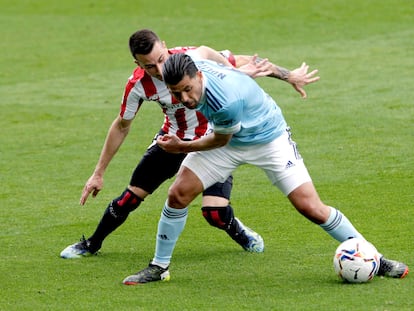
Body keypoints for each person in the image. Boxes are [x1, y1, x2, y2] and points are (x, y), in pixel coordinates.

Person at [122, 53, 409, 285]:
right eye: (176, 93)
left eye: (187, 89)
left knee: (310, 206)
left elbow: (219, 139)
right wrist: (287, 75)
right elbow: (241, 60)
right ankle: (159, 267)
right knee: (178, 194)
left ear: (199, 75)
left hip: (267, 140)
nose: (185, 99)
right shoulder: (196, 61)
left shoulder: (225, 102)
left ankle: (376, 258)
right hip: (230, 139)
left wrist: (180, 147)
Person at [60, 29, 320, 259]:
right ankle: (92, 244)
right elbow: (121, 125)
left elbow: (248, 62)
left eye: (161, 59)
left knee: (214, 214)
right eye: (149, 66)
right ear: (137, 64)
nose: (160, 70)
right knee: (130, 197)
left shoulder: (192, 59)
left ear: (165, 45)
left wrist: (288, 76)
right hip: (172, 140)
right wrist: (98, 172)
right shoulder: (138, 85)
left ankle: (242, 233)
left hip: (212, 144)